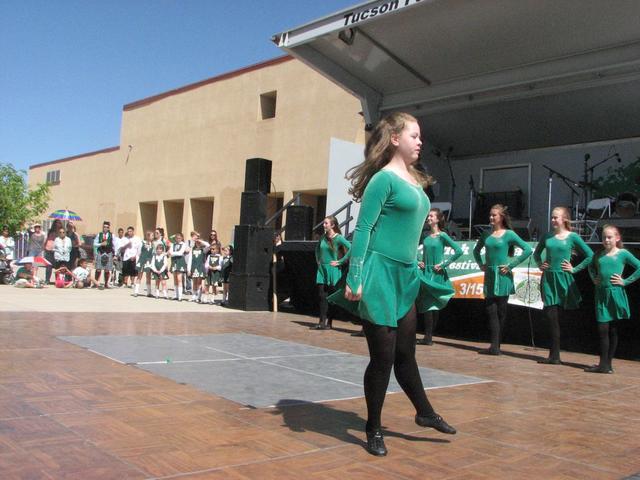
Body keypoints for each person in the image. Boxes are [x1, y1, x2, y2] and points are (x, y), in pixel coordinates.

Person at [328, 112, 456, 457]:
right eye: (414, 135)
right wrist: (355, 276)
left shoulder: (414, 180)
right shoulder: (383, 180)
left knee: (405, 354)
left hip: (405, 274)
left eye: (421, 137)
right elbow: (364, 230)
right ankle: (373, 428)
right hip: (379, 273)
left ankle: (425, 412)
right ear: (396, 139)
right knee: (382, 359)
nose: (420, 141)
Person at [532, 207, 593, 364]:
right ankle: (554, 355)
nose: (553, 220)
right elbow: (536, 253)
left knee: (560, 318)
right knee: (551, 317)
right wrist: (540, 264)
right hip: (548, 279)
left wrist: (574, 268)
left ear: (564, 219)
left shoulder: (572, 237)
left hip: (564, 279)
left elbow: (590, 255)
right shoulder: (547, 236)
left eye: (556, 218)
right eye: (552, 217)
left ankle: (556, 354)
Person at [472, 204, 532, 355]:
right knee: (490, 309)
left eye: (494, 215)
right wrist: (481, 264)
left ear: (502, 217)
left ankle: (497, 345)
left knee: (501, 311)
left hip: (503, 276)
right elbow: (476, 250)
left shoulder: (509, 234)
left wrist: (511, 265)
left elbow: (527, 249)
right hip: (490, 275)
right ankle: (494, 346)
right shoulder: (486, 234)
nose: (491, 217)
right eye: (490, 215)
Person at [586, 225, 640, 373]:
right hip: (601, 295)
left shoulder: (622, 254)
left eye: (609, 237)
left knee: (613, 330)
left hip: (615, 294)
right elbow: (590, 267)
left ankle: (607, 364)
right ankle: (603, 364)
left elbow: (639, 266)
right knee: (602, 329)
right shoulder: (599, 255)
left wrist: (625, 281)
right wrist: (594, 278)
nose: (606, 240)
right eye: (604, 237)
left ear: (617, 238)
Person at [417, 208, 462, 345]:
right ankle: (428, 336)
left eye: (431, 216)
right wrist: (419, 260)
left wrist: (443, 264)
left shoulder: (442, 236)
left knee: (433, 305)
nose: (428, 218)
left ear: (437, 219)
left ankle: (429, 336)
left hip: (437, 274)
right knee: (428, 305)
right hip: (426, 273)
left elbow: (458, 251)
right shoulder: (425, 236)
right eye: (428, 216)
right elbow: (414, 249)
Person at [312, 216, 351, 330]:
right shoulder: (323, 237)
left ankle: (329, 322)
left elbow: (351, 248)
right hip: (322, 270)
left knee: (331, 298)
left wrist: (341, 261)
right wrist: (318, 260)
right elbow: (317, 249)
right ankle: (321, 321)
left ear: (333, 225)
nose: (324, 225)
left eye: (326, 223)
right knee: (321, 296)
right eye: (324, 223)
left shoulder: (338, 238)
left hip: (333, 270)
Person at [187, 233, 208, 302]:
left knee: (199, 282)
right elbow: (190, 260)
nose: (198, 243)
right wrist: (188, 269)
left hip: (200, 267)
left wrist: (200, 241)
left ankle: (199, 297)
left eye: (199, 243)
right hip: (193, 267)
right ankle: (194, 296)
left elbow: (208, 245)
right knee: (194, 282)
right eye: (196, 242)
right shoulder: (192, 250)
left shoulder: (203, 250)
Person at [94, 221, 114, 289]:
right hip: (101, 252)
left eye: (107, 227)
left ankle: (106, 284)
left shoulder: (112, 235)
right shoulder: (99, 234)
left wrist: (115, 254)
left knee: (107, 269)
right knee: (98, 269)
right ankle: (95, 283)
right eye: (104, 227)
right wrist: (101, 244)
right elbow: (94, 244)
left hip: (109, 252)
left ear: (109, 228)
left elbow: (115, 245)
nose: (105, 228)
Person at [134, 231, 154, 297]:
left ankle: (148, 292)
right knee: (139, 276)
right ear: (148, 236)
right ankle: (136, 292)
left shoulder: (152, 244)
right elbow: (139, 252)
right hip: (142, 260)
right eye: (152, 236)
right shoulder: (142, 243)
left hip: (149, 261)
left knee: (148, 276)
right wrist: (139, 261)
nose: (153, 237)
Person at [169, 232, 188, 301]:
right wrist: (173, 253)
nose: (178, 239)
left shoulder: (183, 244)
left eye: (179, 238)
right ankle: (175, 295)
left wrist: (173, 253)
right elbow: (171, 252)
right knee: (175, 279)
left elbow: (180, 253)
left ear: (182, 238)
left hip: (180, 261)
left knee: (179, 278)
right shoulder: (173, 244)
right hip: (174, 261)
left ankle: (180, 296)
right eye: (176, 238)